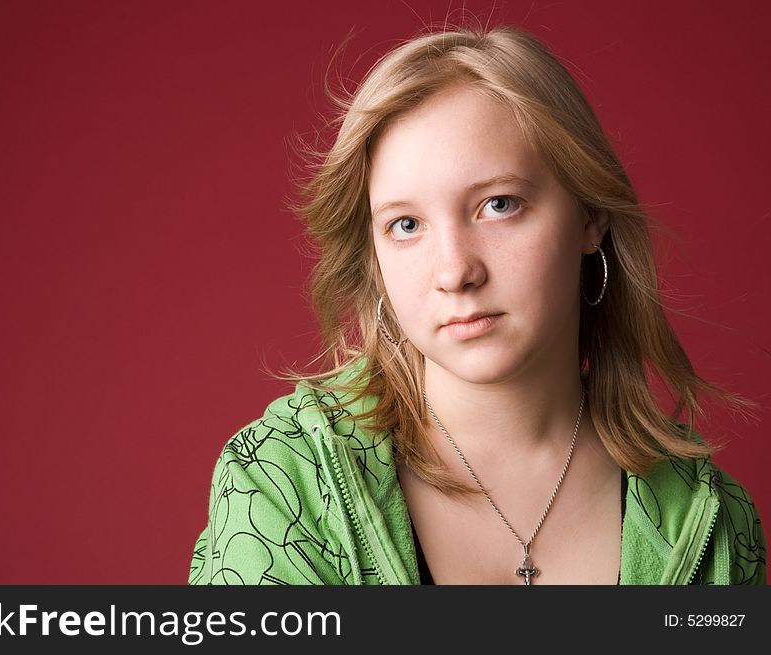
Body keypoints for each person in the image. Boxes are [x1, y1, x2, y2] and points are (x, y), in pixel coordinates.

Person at [187, 25, 767, 585]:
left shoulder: (713, 526)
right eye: (406, 224)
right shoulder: (282, 482)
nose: (455, 272)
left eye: (499, 205)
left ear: (590, 216)